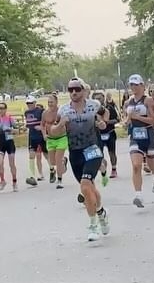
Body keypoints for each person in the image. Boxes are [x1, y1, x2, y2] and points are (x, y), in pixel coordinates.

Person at [50, 78, 110, 242]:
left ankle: (93, 225)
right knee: (88, 189)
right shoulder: (63, 110)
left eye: (77, 89)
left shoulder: (94, 105)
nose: (74, 93)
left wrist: (102, 123)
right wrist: (61, 124)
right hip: (75, 152)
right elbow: (53, 131)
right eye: (70, 90)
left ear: (83, 90)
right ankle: (101, 212)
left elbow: (106, 114)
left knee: (85, 184)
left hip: (92, 150)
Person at [124, 75, 154, 209]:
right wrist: (126, 122)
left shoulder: (148, 101)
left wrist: (138, 117)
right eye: (131, 85)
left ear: (142, 85)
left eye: (136, 85)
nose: (133, 87)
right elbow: (127, 119)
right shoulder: (128, 103)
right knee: (136, 165)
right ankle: (138, 195)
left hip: (149, 135)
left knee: (153, 167)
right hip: (135, 135)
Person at [41, 93, 67, 187]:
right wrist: (44, 134)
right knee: (52, 162)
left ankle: (60, 181)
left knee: (58, 159)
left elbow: (67, 123)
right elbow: (42, 125)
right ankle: (63, 161)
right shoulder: (45, 113)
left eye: (52, 102)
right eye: (48, 102)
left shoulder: (61, 112)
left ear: (56, 102)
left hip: (61, 138)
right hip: (51, 139)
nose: (50, 104)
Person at [0, 102, 18, 191]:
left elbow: (17, 130)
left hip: (9, 142)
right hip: (0, 143)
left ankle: (14, 182)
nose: (0, 110)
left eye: (2, 108)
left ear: (5, 109)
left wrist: (10, 129)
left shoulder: (10, 118)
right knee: (0, 163)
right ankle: (2, 180)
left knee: (12, 163)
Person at [24, 96, 47, 185]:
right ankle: (32, 176)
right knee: (31, 155)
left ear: (34, 103)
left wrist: (42, 128)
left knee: (46, 154)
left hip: (40, 136)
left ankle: (53, 169)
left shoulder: (40, 111)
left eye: (30, 103)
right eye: (27, 103)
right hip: (32, 137)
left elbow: (44, 122)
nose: (29, 105)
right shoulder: (26, 113)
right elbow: (29, 123)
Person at [103, 93, 120, 178]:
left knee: (112, 153)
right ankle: (102, 166)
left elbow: (117, 120)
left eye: (100, 98)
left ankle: (114, 169)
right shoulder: (92, 109)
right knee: (98, 153)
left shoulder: (110, 108)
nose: (98, 100)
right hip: (98, 134)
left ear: (104, 98)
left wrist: (107, 122)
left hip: (110, 133)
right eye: (96, 98)